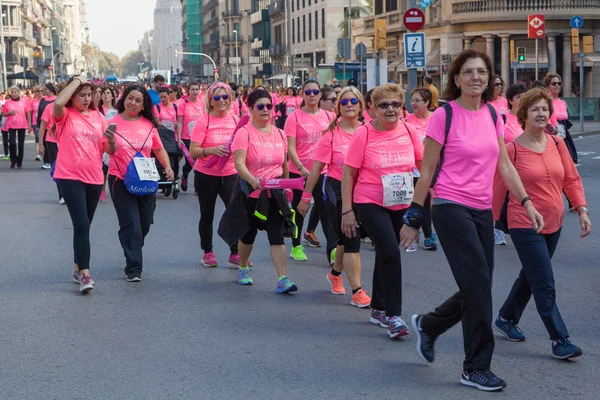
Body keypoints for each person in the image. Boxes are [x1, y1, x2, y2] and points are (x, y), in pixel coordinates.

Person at [400, 49, 544, 392]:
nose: (476, 77)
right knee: (478, 284)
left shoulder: (494, 115)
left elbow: (504, 166)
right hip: (450, 206)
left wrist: (526, 202)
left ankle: (430, 325)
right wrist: (414, 216)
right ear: (457, 78)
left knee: (477, 286)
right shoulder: (444, 115)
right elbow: (428, 169)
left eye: (482, 72)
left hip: (482, 211)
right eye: (468, 72)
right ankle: (475, 367)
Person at [494, 88, 591, 360]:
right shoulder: (512, 149)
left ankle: (505, 317)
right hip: (524, 223)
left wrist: (581, 209)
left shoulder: (557, 144)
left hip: (554, 221)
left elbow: (571, 179)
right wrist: (485, 222)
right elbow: (497, 187)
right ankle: (559, 338)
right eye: (535, 109)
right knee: (544, 281)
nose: (541, 113)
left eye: (545, 109)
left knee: (532, 274)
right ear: (523, 115)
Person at [341, 83, 423, 335]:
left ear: (402, 107)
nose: (390, 109)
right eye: (384, 105)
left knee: (386, 254)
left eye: (396, 104)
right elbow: (348, 173)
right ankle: (393, 315)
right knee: (390, 251)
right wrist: (347, 210)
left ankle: (377, 307)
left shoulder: (409, 131)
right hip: (370, 202)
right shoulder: (363, 134)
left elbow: (424, 166)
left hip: (402, 202)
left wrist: (431, 200)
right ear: (373, 109)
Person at [298, 86, 371, 307]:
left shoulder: (368, 130)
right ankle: (357, 291)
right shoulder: (331, 134)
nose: (349, 105)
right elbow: (316, 169)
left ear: (361, 107)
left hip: (363, 190)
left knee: (345, 240)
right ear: (338, 107)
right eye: (345, 102)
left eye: (354, 102)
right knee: (351, 242)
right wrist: (305, 196)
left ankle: (335, 274)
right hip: (336, 189)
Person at [223, 89, 298, 293]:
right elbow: (239, 164)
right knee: (249, 236)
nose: (266, 110)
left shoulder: (280, 133)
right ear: (250, 109)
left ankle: (282, 278)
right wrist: (253, 180)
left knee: (277, 235)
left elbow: (284, 162)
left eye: (268, 106)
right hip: (251, 192)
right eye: (260, 107)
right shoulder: (244, 133)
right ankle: (244, 266)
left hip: (275, 193)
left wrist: (286, 186)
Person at [106, 84, 174, 282]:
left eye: (138, 100)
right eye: (130, 98)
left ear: (143, 105)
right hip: (119, 178)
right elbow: (109, 152)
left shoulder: (149, 124)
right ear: (123, 99)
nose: (133, 103)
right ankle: (133, 268)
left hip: (146, 177)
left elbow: (159, 149)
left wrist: (168, 167)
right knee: (131, 224)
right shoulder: (112, 123)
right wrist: (110, 141)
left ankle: (132, 246)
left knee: (144, 223)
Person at [52, 76, 110, 293]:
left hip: (94, 178)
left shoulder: (98, 117)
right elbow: (58, 103)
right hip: (70, 177)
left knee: (83, 226)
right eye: (81, 95)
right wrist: (76, 80)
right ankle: (85, 275)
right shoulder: (65, 115)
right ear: (72, 95)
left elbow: (108, 149)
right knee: (82, 225)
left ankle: (77, 268)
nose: (86, 99)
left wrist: (111, 141)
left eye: (89, 95)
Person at [190, 83, 242, 267]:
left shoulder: (236, 120)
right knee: (207, 214)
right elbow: (193, 151)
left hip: (230, 174)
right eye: (217, 97)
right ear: (210, 101)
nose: (221, 101)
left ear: (230, 99)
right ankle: (208, 252)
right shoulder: (203, 122)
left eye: (225, 97)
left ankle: (235, 252)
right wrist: (211, 150)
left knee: (235, 213)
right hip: (206, 174)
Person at [284, 79, 333, 262]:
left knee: (325, 210)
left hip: (323, 172)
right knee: (299, 209)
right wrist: (300, 167)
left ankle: (332, 250)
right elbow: (290, 147)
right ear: (302, 95)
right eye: (308, 92)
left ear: (320, 94)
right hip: (300, 172)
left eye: (315, 92)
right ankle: (296, 246)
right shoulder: (294, 117)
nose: (312, 95)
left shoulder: (328, 117)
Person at [492, 83, 527, 244]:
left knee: (523, 196)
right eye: (519, 96)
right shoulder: (503, 118)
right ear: (511, 100)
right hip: (505, 163)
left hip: (524, 164)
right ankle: (498, 227)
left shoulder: (527, 119)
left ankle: (522, 226)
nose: (523, 99)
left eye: (524, 96)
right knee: (504, 197)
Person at [405, 87, 437, 251]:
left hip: (431, 167)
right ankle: (418, 232)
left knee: (425, 202)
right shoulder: (407, 120)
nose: (414, 104)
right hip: (412, 168)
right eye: (412, 101)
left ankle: (427, 234)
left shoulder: (436, 119)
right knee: (415, 201)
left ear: (427, 102)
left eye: (418, 100)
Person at [177, 81, 205, 192]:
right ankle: (185, 176)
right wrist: (179, 138)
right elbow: (179, 122)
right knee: (190, 162)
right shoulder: (183, 104)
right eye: (192, 89)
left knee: (200, 163)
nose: (195, 92)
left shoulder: (203, 104)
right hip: (186, 137)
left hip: (201, 138)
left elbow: (206, 120)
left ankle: (197, 187)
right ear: (188, 90)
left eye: (197, 89)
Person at [2, 86, 32, 169]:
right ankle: (13, 160)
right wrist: (9, 113)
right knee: (11, 142)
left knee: (21, 144)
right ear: (10, 93)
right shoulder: (8, 102)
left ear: (18, 93)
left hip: (22, 124)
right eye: (12, 92)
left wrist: (29, 124)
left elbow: (28, 112)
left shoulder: (24, 101)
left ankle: (19, 162)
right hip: (11, 124)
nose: (14, 94)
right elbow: (3, 113)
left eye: (15, 92)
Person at [37, 83, 58, 169]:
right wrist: (40, 145)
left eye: (45, 89)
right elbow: (39, 114)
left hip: (63, 137)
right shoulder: (46, 105)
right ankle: (46, 161)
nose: (43, 91)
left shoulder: (66, 106)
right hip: (50, 134)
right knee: (55, 162)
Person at [30, 86, 43, 161]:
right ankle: (38, 154)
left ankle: (44, 152)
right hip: (35, 121)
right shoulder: (33, 101)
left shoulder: (45, 99)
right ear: (35, 92)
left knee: (45, 137)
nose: (40, 92)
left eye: (41, 91)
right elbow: (30, 112)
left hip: (45, 121)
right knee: (38, 136)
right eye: (38, 91)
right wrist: (30, 123)